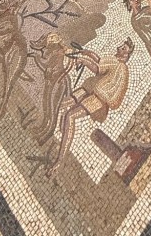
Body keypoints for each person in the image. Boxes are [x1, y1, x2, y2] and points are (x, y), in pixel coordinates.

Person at [47, 39, 133, 177]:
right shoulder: (114, 60)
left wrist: (84, 60)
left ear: (126, 55)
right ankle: (62, 133)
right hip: (90, 86)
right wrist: (84, 52)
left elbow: (97, 68)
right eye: (122, 46)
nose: (120, 47)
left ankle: (59, 161)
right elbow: (99, 60)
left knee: (70, 116)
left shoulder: (120, 66)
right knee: (61, 104)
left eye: (123, 48)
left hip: (98, 98)